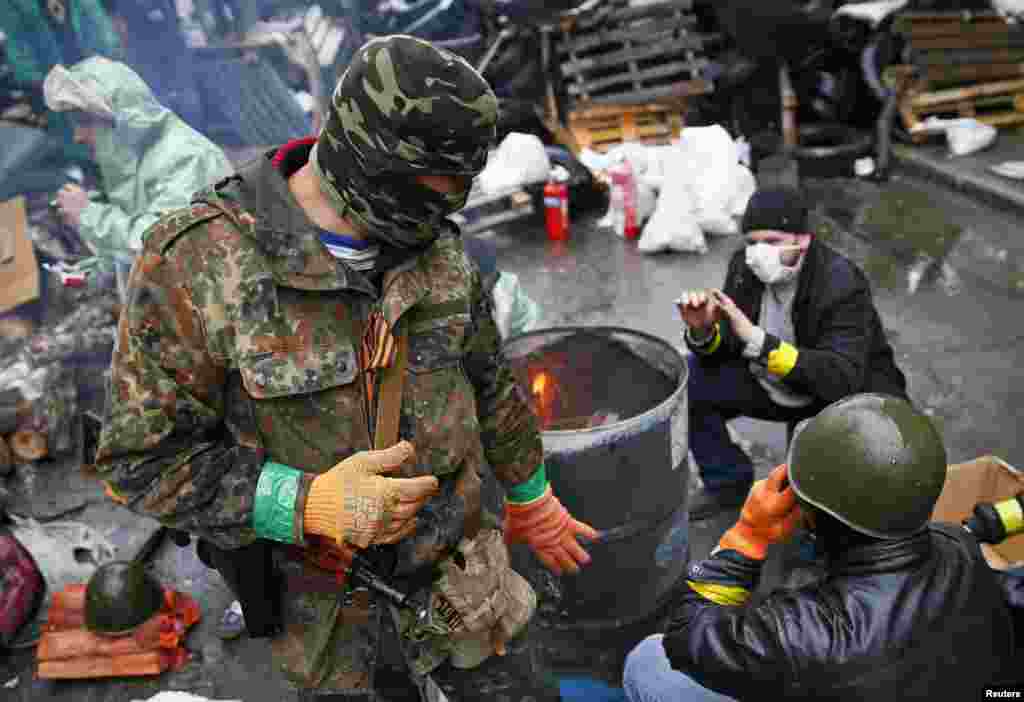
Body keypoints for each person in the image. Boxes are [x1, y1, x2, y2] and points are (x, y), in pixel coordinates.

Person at [94, 34, 597, 701]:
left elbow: (490, 384)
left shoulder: (440, 253)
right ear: (368, 161)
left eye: (459, 187)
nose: (447, 205)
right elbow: (142, 460)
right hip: (331, 620)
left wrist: (533, 500)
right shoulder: (199, 263)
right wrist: (304, 503)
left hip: (468, 580)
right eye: (432, 187)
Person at [623, 393, 1023, 701]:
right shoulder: (959, 548)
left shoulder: (806, 633)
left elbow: (686, 635)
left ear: (814, 514)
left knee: (648, 662)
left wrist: (746, 536)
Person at [677, 185, 907, 519]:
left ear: (803, 240)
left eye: (771, 241)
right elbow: (726, 345)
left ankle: (820, 525)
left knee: (815, 493)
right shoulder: (745, 267)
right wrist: (703, 331)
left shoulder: (840, 282)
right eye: (752, 242)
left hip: (837, 397)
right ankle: (726, 485)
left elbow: (840, 378)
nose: (758, 253)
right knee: (688, 382)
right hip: (772, 381)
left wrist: (759, 342)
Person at [42, 56, 234, 296]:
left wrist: (89, 215)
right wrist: (87, 274)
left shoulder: (186, 157)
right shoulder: (133, 161)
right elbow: (131, 249)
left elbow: (165, 247)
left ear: (119, 116)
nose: (78, 136)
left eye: (84, 122)